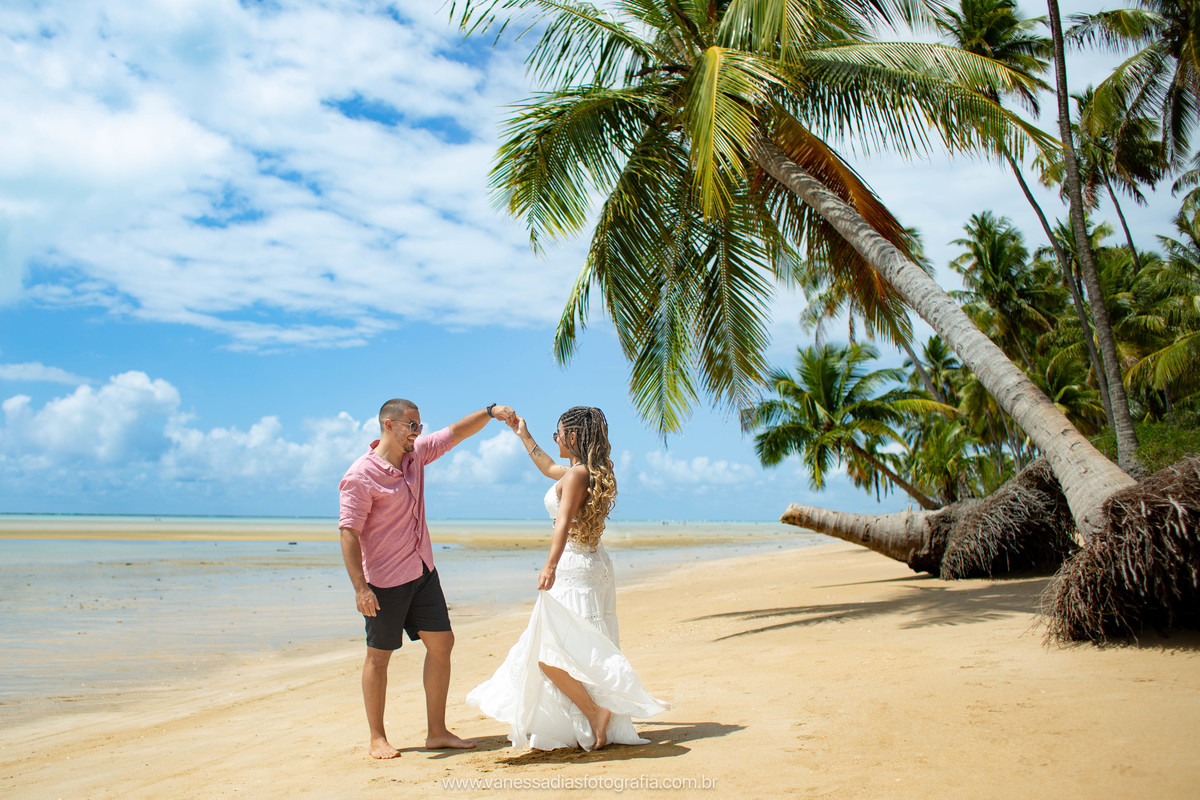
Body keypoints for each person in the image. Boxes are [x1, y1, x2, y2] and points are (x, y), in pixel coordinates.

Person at [467, 406, 669, 751]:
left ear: (572, 437)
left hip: (575, 568)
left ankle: (594, 712)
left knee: (549, 652)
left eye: (557, 433)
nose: (555, 438)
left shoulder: (576, 476)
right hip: (591, 563)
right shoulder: (579, 472)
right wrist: (522, 433)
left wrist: (550, 566)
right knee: (581, 646)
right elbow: (547, 467)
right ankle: (593, 715)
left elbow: (562, 522)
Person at [339, 398, 514, 759]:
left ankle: (436, 732)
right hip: (385, 582)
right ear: (389, 425)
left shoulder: (415, 456)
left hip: (422, 571)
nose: (418, 432)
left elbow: (455, 434)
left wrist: (490, 410)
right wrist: (360, 588)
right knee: (379, 657)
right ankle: (377, 738)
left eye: (419, 426)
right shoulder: (360, 475)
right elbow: (349, 533)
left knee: (442, 643)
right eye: (412, 425)